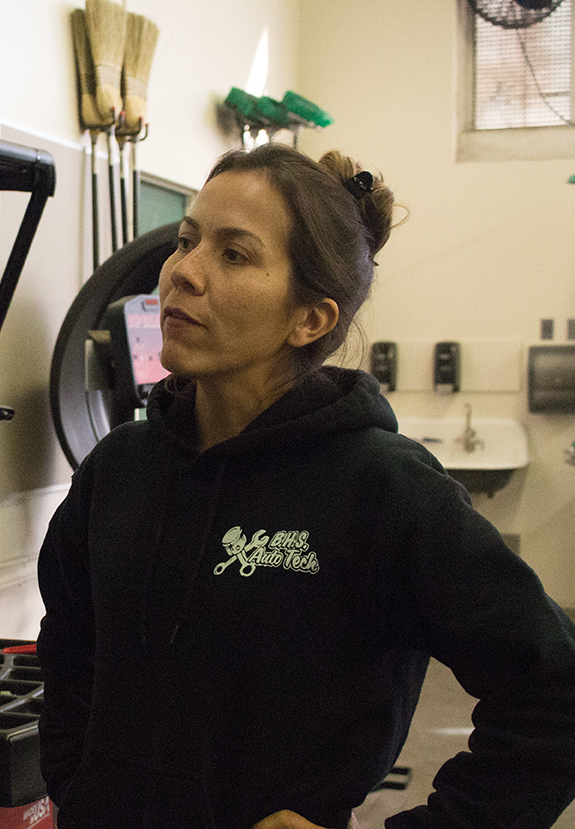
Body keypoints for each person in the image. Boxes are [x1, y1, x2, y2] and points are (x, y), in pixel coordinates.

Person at [35, 142, 575, 829]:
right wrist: (80, 786)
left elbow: (554, 691)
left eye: (234, 254)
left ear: (310, 317)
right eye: (187, 240)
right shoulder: (117, 471)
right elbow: (69, 648)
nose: (183, 274)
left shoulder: (382, 489)